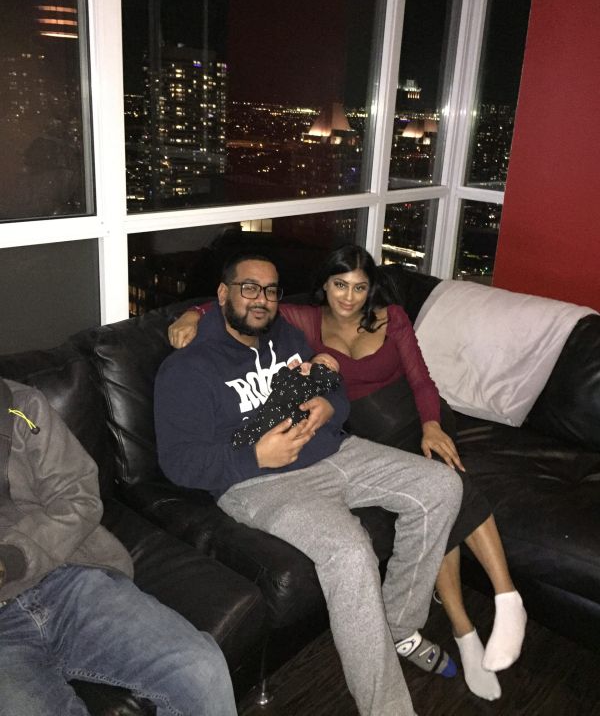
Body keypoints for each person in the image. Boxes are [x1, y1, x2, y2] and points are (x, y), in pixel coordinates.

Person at [169, 245, 528, 702]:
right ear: (223, 294)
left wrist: (327, 405)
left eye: (271, 291)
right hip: (257, 481)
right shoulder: (187, 367)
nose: (261, 299)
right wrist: (256, 456)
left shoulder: (287, 334)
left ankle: (399, 623)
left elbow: (336, 389)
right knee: (352, 551)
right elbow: (179, 462)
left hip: (335, 449)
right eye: (249, 289)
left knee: (443, 484)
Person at [0, 377, 237, 716]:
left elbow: (78, 497)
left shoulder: (22, 405)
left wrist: (12, 557)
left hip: (68, 577)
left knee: (202, 670)